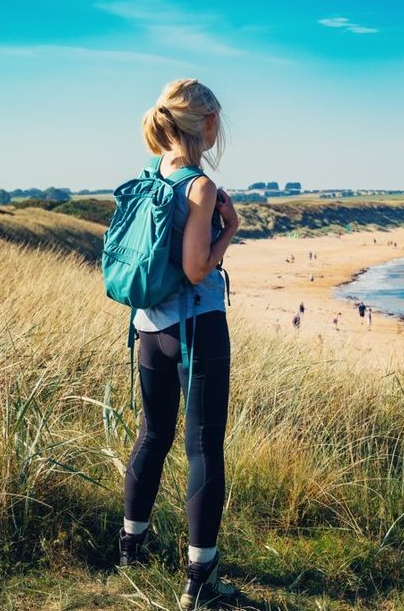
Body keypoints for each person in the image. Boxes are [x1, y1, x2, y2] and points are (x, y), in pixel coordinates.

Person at [119, 79, 239, 608]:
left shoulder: (149, 177)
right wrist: (228, 229)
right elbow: (195, 269)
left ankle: (130, 548)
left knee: (152, 435)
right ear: (206, 125)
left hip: (147, 328)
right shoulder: (199, 186)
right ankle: (201, 577)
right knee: (204, 448)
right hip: (197, 328)